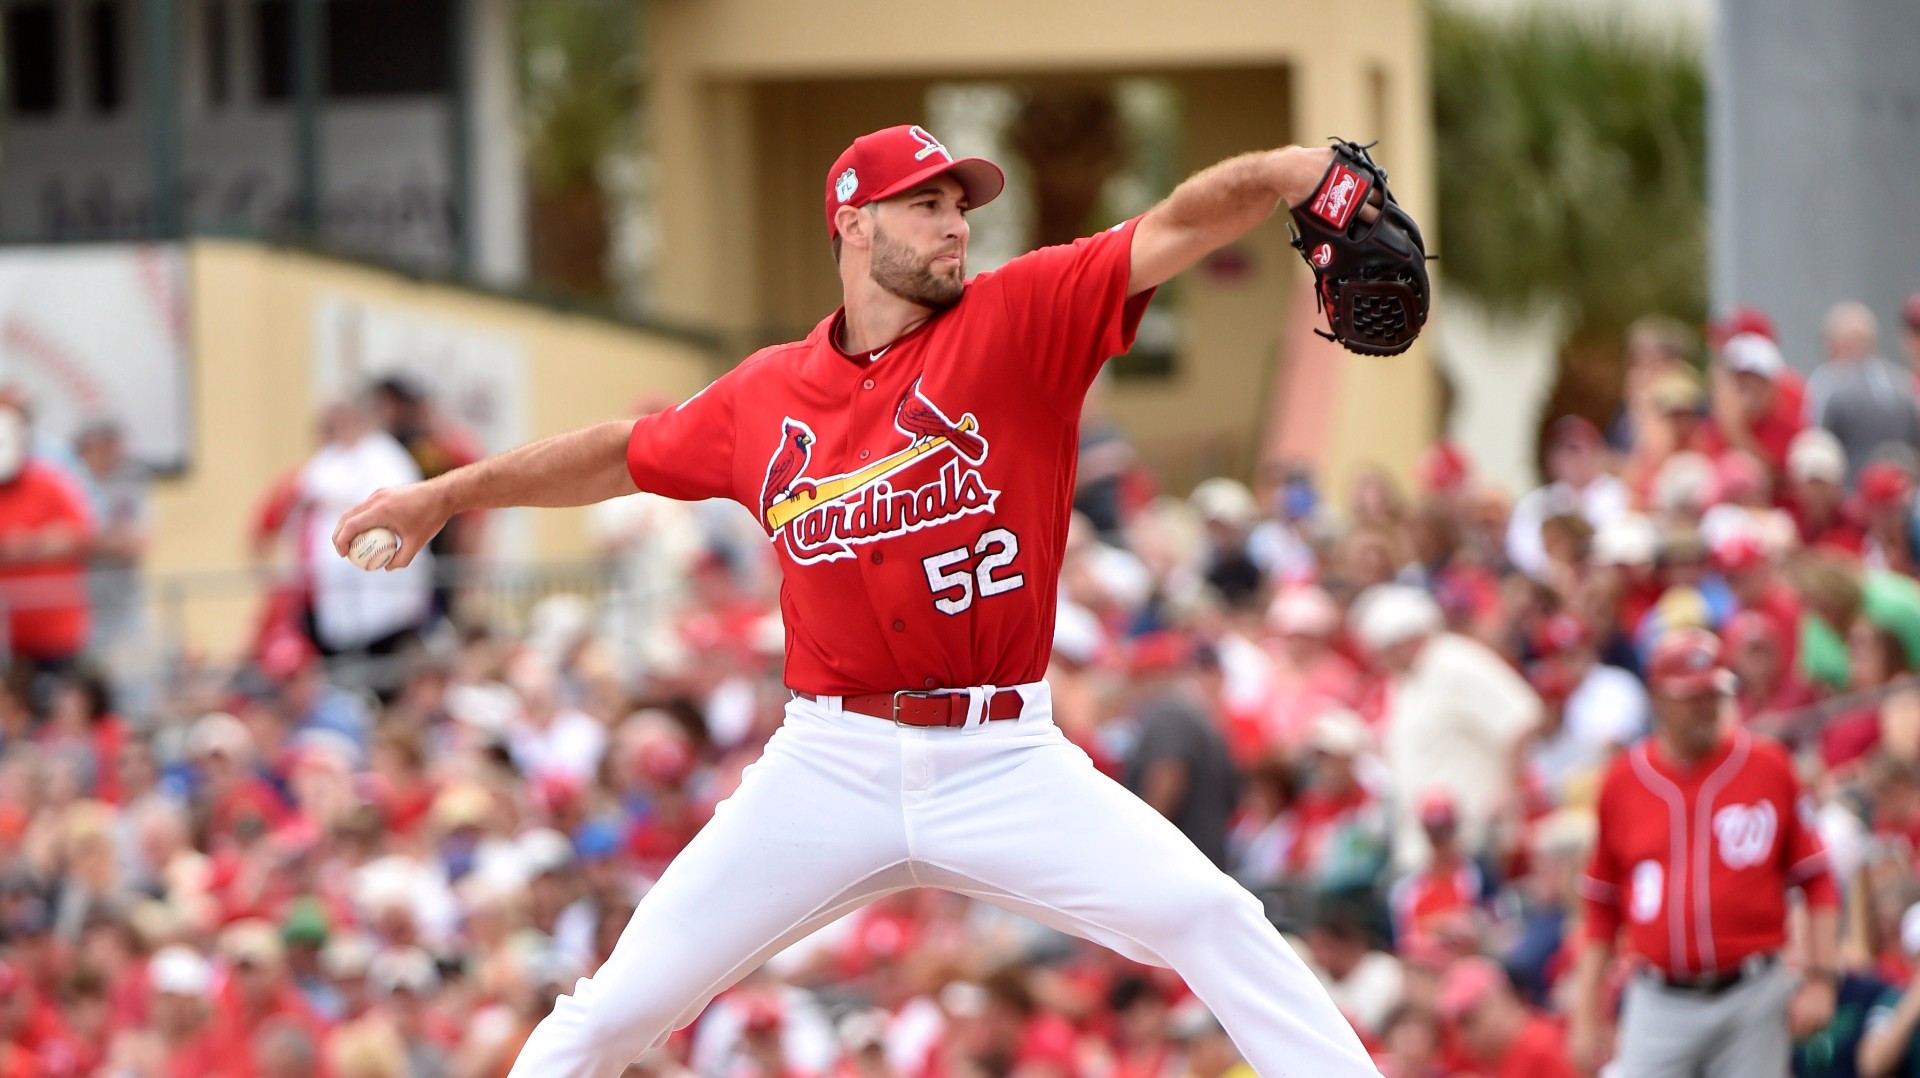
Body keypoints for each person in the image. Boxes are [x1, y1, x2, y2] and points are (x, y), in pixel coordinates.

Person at [332, 124, 1386, 1077]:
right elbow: (622, 452)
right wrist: (446, 493)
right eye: (925, 204)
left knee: (1211, 913)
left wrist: (1292, 173)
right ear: (852, 221)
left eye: (959, 207)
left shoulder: (1019, 318)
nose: (953, 226)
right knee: (611, 1014)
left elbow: (1174, 226)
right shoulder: (766, 394)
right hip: (826, 761)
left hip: (1001, 754)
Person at [1569, 628, 1841, 1077]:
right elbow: (1600, 909)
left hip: (1753, 994)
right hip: (1659, 998)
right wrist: (1585, 1012)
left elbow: (1817, 879)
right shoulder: (1622, 781)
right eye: (1690, 695)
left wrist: (1820, 980)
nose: (1705, 704)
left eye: (1713, 692)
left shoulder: (1768, 765)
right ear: (1658, 700)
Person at [1805, 302, 1920, 484]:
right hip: (1899, 490)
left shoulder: (1828, 382)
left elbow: (1819, 442)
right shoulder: (1903, 382)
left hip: (1851, 491)